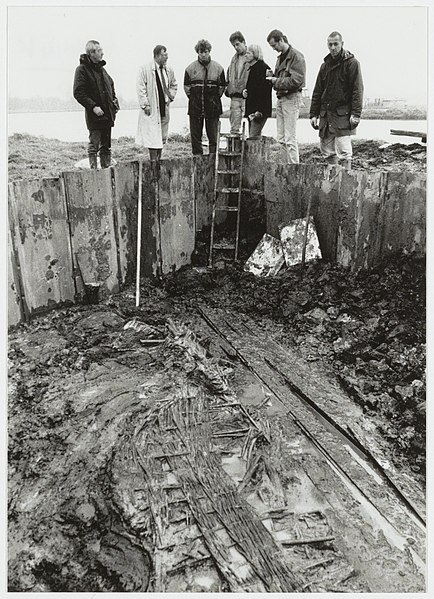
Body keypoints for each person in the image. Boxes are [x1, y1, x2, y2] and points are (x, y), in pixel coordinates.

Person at [309, 31, 364, 170]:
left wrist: (356, 114)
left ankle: (346, 182)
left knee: (345, 152)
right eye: (330, 44)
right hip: (326, 115)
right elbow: (317, 91)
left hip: (342, 115)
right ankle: (334, 182)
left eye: (336, 44)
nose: (333, 47)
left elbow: (357, 90)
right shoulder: (324, 66)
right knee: (327, 151)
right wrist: (313, 114)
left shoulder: (352, 64)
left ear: (342, 44)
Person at [73, 40, 119, 169]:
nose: (102, 53)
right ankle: (93, 172)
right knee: (94, 146)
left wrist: (114, 101)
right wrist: (93, 106)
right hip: (95, 116)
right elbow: (78, 93)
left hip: (107, 114)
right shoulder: (82, 70)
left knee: (106, 147)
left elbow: (111, 84)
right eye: (99, 51)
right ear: (91, 53)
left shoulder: (102, 70)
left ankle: (106, 171)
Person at [266, 30, 306, 164]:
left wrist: (276, 81)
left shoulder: (297, 57)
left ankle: (294, 169)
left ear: (281, 40)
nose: (274, 49)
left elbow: (297, 81)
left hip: (291, 98)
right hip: (281, 98)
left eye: (274, 45)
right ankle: (284, 169)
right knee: (281, 138)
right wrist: (273, 77)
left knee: (290, 138)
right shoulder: (280, 58)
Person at [136, 45, 178, 163]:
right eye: (164, 55)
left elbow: (174, 84)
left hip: (164, 107)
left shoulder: (168, 69)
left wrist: (170, 97)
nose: (167, 57)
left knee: (161, 137)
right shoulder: (145, 69)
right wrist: (145, 104)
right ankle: (153, 161)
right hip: (152, 108)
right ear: (157, 55)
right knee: (152, 137)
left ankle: (159, 159)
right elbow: (140, 88)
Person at [184, 39, 226, 155]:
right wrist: (195, 100)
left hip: (213, 108)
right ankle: (198, 161)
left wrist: (213, 100)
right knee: (195, 137)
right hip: (195, 108)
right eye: (201, 52)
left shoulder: (218, 68)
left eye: (206, 51)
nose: (203, 54)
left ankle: (213, 159)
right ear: (197, 52)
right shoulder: (190, 69)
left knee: (213, 137)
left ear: (209, 51)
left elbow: (222, 87)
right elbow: (187, 88)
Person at [242, 44, 272, 138]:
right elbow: (253, 89)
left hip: (258, 112)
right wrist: (245, 93)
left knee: (253, 138)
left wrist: (259, 111)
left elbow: (265, 92)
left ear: (255, 54)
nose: (245, 55)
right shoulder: (252, 69)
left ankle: (256, 153)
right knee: (254, 137)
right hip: (253, 110)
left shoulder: (263, 68)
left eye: (248, 53)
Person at [225, 31, 249, 135]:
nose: (236, 47)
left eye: (237, 44)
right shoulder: (233, 59)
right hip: (234, 97)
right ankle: (235, 149)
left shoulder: (252, 56)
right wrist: (228, 89)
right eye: (234, 45)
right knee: (234, 128)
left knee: (253, 126)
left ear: (244, 42)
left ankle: (251, 149)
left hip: (248, 97)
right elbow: (229, 74)